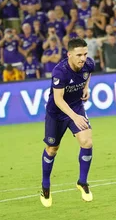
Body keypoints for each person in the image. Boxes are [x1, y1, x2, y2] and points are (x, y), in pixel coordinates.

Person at [40, 38, 94, 208]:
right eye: (79, 55)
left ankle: (82, 182)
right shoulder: (60, 72)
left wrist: (86, 87)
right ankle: (45, 185)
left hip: (76, 108)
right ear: (69, 54)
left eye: (85, 54)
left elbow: (88, 74)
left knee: (87, 141)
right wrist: (75, 117)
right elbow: (58, 100)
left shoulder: (88, 64)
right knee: (52, 149)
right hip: (57, 113)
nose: (83, 58)